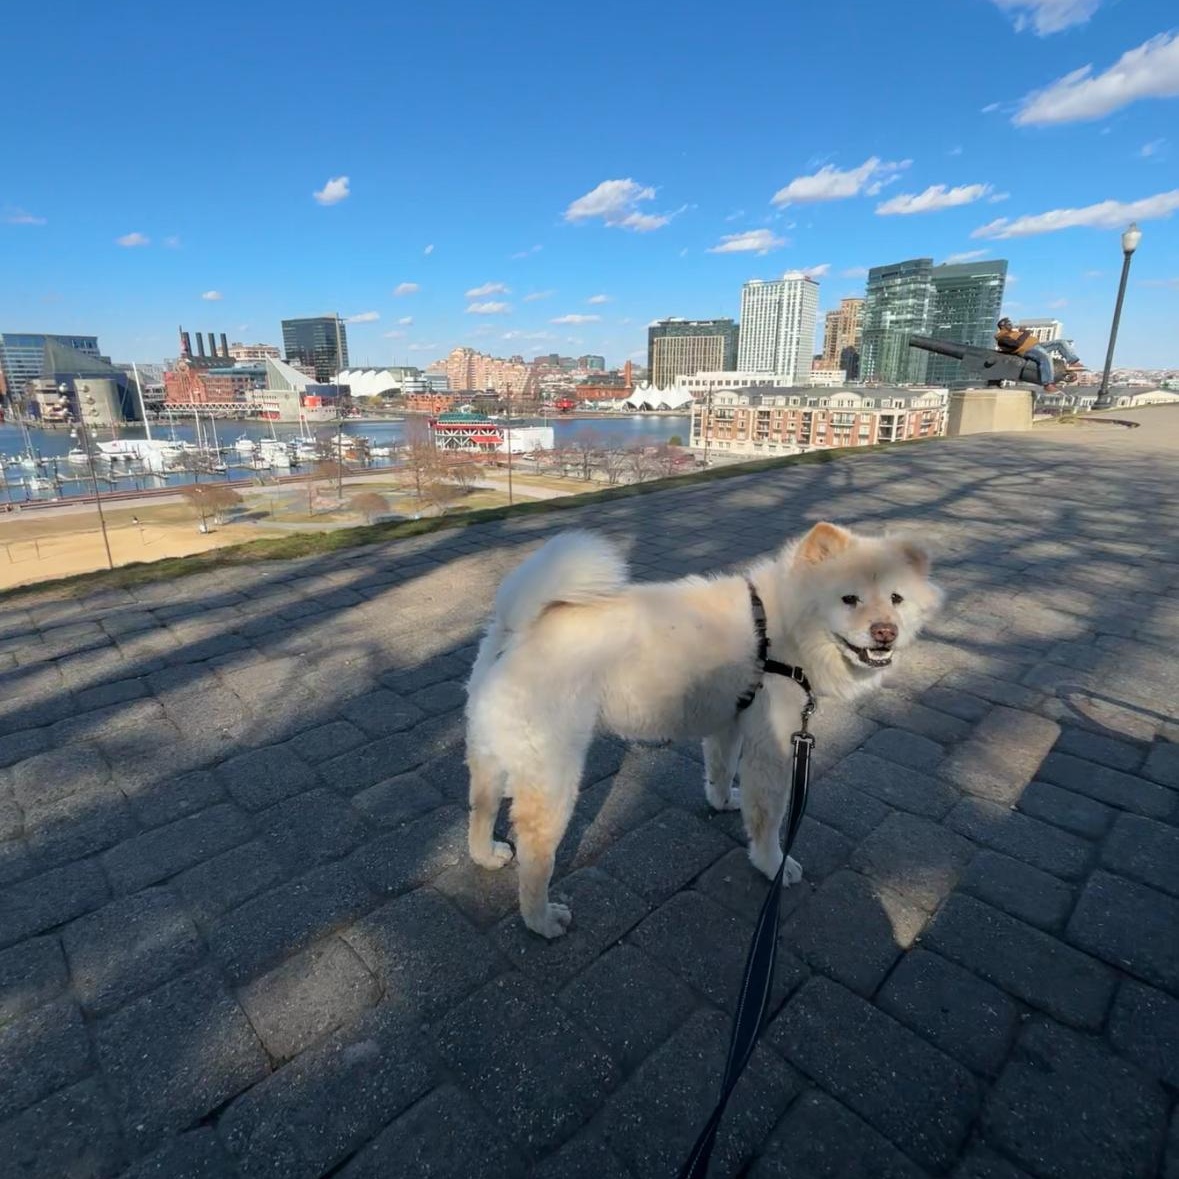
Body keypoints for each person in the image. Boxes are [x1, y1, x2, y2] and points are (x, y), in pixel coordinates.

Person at [994, 318, 1060, 392]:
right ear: (1002, 327)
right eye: (1008, 324)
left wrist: (1023, 333)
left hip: (1036, 346)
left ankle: (1073, 361)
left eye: (1011, 324)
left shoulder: (1013, 333)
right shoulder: (1002, 338)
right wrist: (1026, 333)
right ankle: (1047, 384)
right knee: (1044, 357)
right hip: (1027, 350)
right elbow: (1016, 344)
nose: (1011, 325)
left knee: (1059, 343)